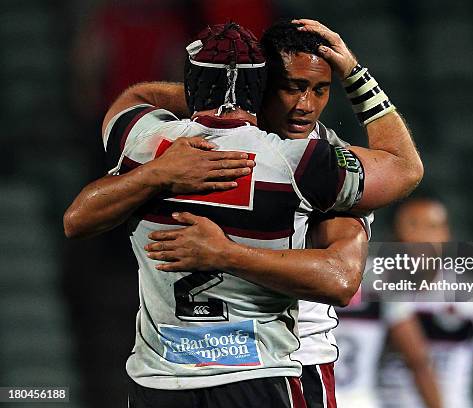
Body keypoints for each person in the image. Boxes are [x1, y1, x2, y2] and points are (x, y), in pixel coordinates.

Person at [64, 21, 423, 407]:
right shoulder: (313, 168)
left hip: (298, 359)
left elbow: (342, 278)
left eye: (319, 90)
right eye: (290, 87)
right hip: (255, 372)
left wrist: (212, 103)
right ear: (263, 85)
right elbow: (405, 169)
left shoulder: (162, 144)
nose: (304, 104)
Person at [380, 195, 473, 408]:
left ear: (446, 233)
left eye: (433, 226)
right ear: (394, 235)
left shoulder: (472, 295)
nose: (423, 238)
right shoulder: (374, 291)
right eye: (413, 226)